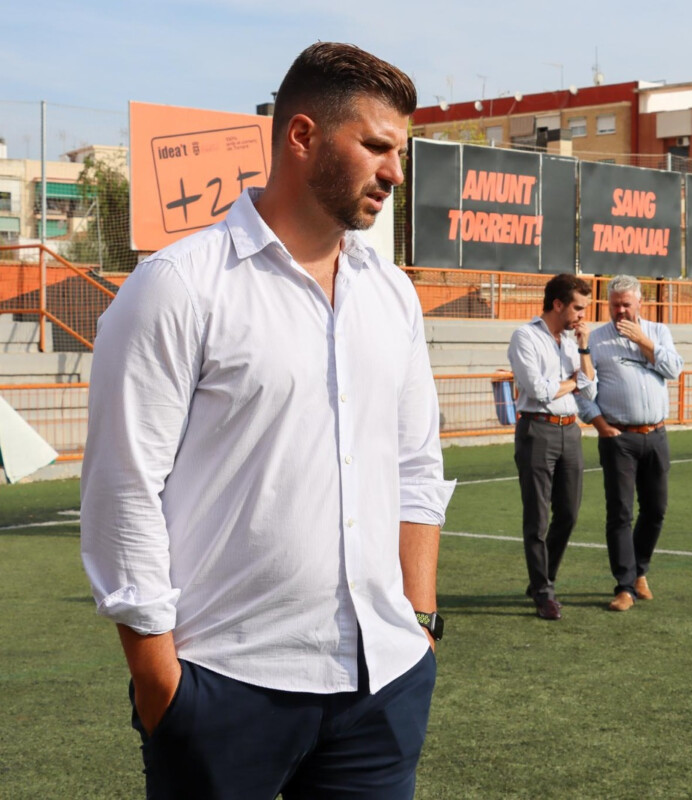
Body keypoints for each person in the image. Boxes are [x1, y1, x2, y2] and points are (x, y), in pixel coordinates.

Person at [80, 43, 455, 799]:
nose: (395, 172)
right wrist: (161, 682)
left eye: (401, 152)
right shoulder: (178, 286)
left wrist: (419, 621)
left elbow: (417, 465)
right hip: (221, 683)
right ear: (302, 136)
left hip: (382, 682)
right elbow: (123, 489)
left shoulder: (392, 295)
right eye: (376, 146)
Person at [577, 275, 683, 612]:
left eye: (626, 304)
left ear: (640, 303)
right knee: (620, 512)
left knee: (656, 509)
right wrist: (600, 424)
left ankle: (639, 571)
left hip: (656, 434)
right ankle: (624, 586)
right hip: (619, 438)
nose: (620, 311)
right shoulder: (597, 340)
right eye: (615, 305)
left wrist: (644, 342)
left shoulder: (658, 332)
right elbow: (584, 388)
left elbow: (674, 370)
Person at [507, 274, 596, 621]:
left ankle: (543, 580)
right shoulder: (525, 337)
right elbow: (539, 390)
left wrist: (584, 351)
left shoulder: (574, 343)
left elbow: (591, 390)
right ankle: (544, 592)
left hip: (570, 430)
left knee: (569, 513)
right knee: (538, 517)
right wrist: (575, 381)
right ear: (557, 304)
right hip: (537, 429)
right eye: (578, 307)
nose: (583, 316)